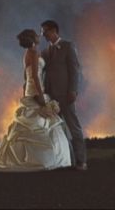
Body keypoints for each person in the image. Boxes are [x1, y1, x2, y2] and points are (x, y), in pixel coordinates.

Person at [0, 29, 71, 172]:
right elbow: (35, 77)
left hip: (30, 89)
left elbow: (26, 78)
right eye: (36, 35)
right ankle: (44, 160)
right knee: (41, 123)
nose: (39, 36)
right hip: (36, 89)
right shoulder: (34, 53)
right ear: (32, 38)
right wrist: (41, 97)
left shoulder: (27, 54)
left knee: (33, 123)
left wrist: (26, 93)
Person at [40, 20, 87, 171]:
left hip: (66, 95)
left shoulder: (68, 46)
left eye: (45, 31)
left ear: (54, 30)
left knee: (74, 127)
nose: (43, 35)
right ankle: (68, 160)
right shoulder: (46, 51)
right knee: (59, 130)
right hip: (51, 96)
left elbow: (75, 70)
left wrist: (73, 90)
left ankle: (81, 161)